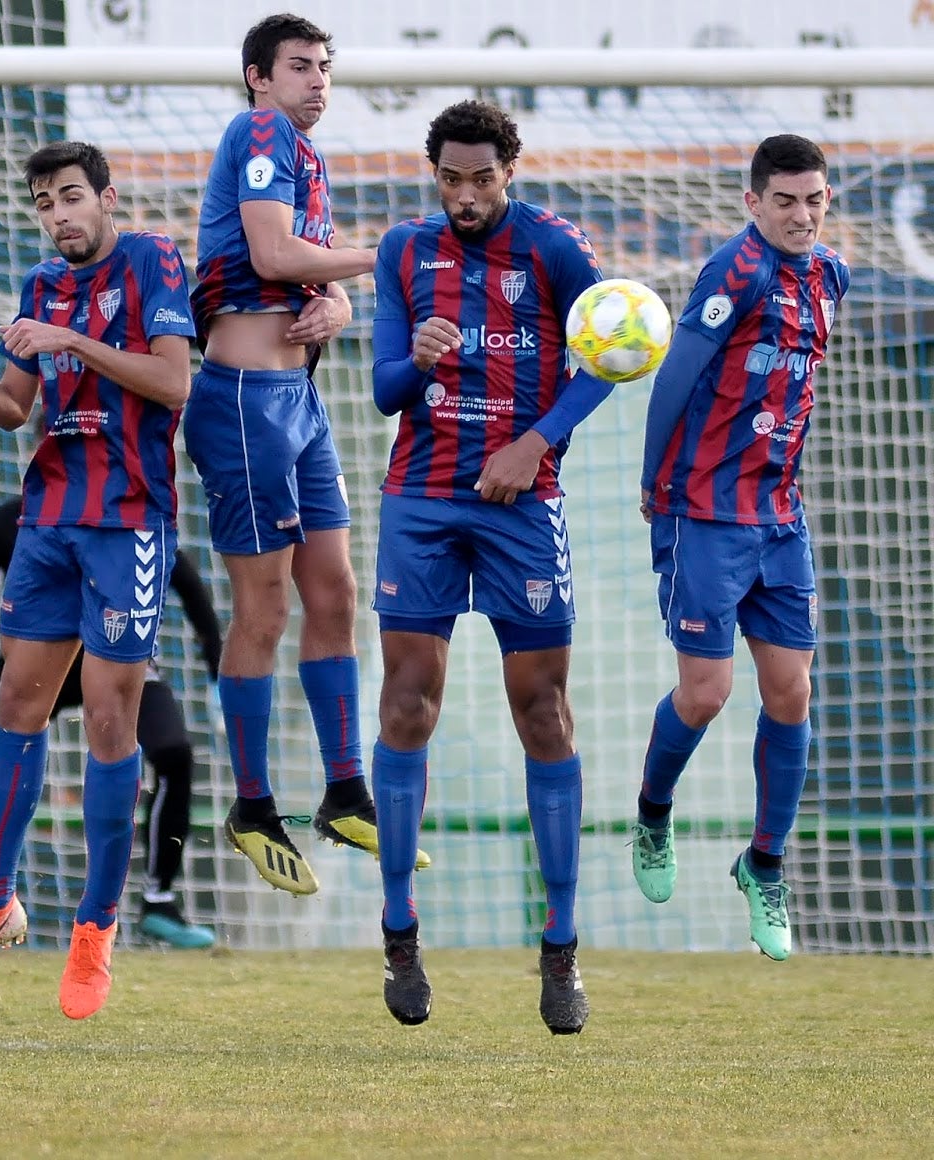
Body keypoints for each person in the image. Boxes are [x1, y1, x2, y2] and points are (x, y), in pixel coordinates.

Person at [0, 140, 195, 1019]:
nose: (59, 215)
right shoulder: (40, 285)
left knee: (111, 724)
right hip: (48, 524)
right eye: (44, 204)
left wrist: (72, 338)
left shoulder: (151, 260)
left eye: (70, 196)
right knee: (15, 711)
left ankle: (95, 933)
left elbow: (174, 383)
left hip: (128, 523)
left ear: (105, 197)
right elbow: (15, 407)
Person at [368, 100, 613, 1035]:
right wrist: (417, 360)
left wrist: (535, 443)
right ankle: (400, 932)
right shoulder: (404, 250)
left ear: (511, 171)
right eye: (450, 179)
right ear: (434, 175)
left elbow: (608, 359)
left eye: (482, 179)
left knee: (543, 711)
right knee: (407, 705)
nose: (465, 196)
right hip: (423, 500)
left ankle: (561, 947)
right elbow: (384, 387)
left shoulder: (555, 248)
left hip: (524, 502)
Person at [633, 134, 848, 963]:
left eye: (814, 200)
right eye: (784, 200)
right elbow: (676, 375)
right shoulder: (735, 272)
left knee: (792, 692)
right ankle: (653, 813)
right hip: (705, 513)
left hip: (780, 516)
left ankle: (763, 863)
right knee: (708, 692)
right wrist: (653, 481)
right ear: (753, 202)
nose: (801, 215)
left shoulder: (831, 277)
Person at [184, 12, 384, 897]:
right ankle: (254, 805)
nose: (318, 81)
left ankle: (344, 791)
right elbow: (270, 253)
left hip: (297, 400)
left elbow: (301, 270)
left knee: (334, 590)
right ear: (258, 78)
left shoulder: (307, 156)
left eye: (325, 67)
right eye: (300, 66)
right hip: (244, 404)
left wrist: (336, 305)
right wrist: (384, 258)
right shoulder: (260, 131)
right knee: (263, 609)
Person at [0, 495, 222, 950]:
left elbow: (186, 580)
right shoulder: (13, 524)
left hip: (114, 656)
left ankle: (159, 900)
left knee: (175, 754)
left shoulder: (129, 513)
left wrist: (217, 671)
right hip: (39, 661)